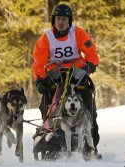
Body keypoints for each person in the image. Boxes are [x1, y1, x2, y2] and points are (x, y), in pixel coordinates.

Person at [32, 3, 101, 158]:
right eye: (58, 19)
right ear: (53, 21)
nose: (61, 22)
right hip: (55, 77)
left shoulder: (78, 33)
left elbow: (91, 51)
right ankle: (50, 136)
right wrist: (39, 80)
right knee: (47, 106)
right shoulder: (46, 38)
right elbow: (39, 61)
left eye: (64, 19)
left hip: (77, 76)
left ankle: (91, 146)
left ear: (69, 21)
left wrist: (90, 65)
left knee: (89, 110)